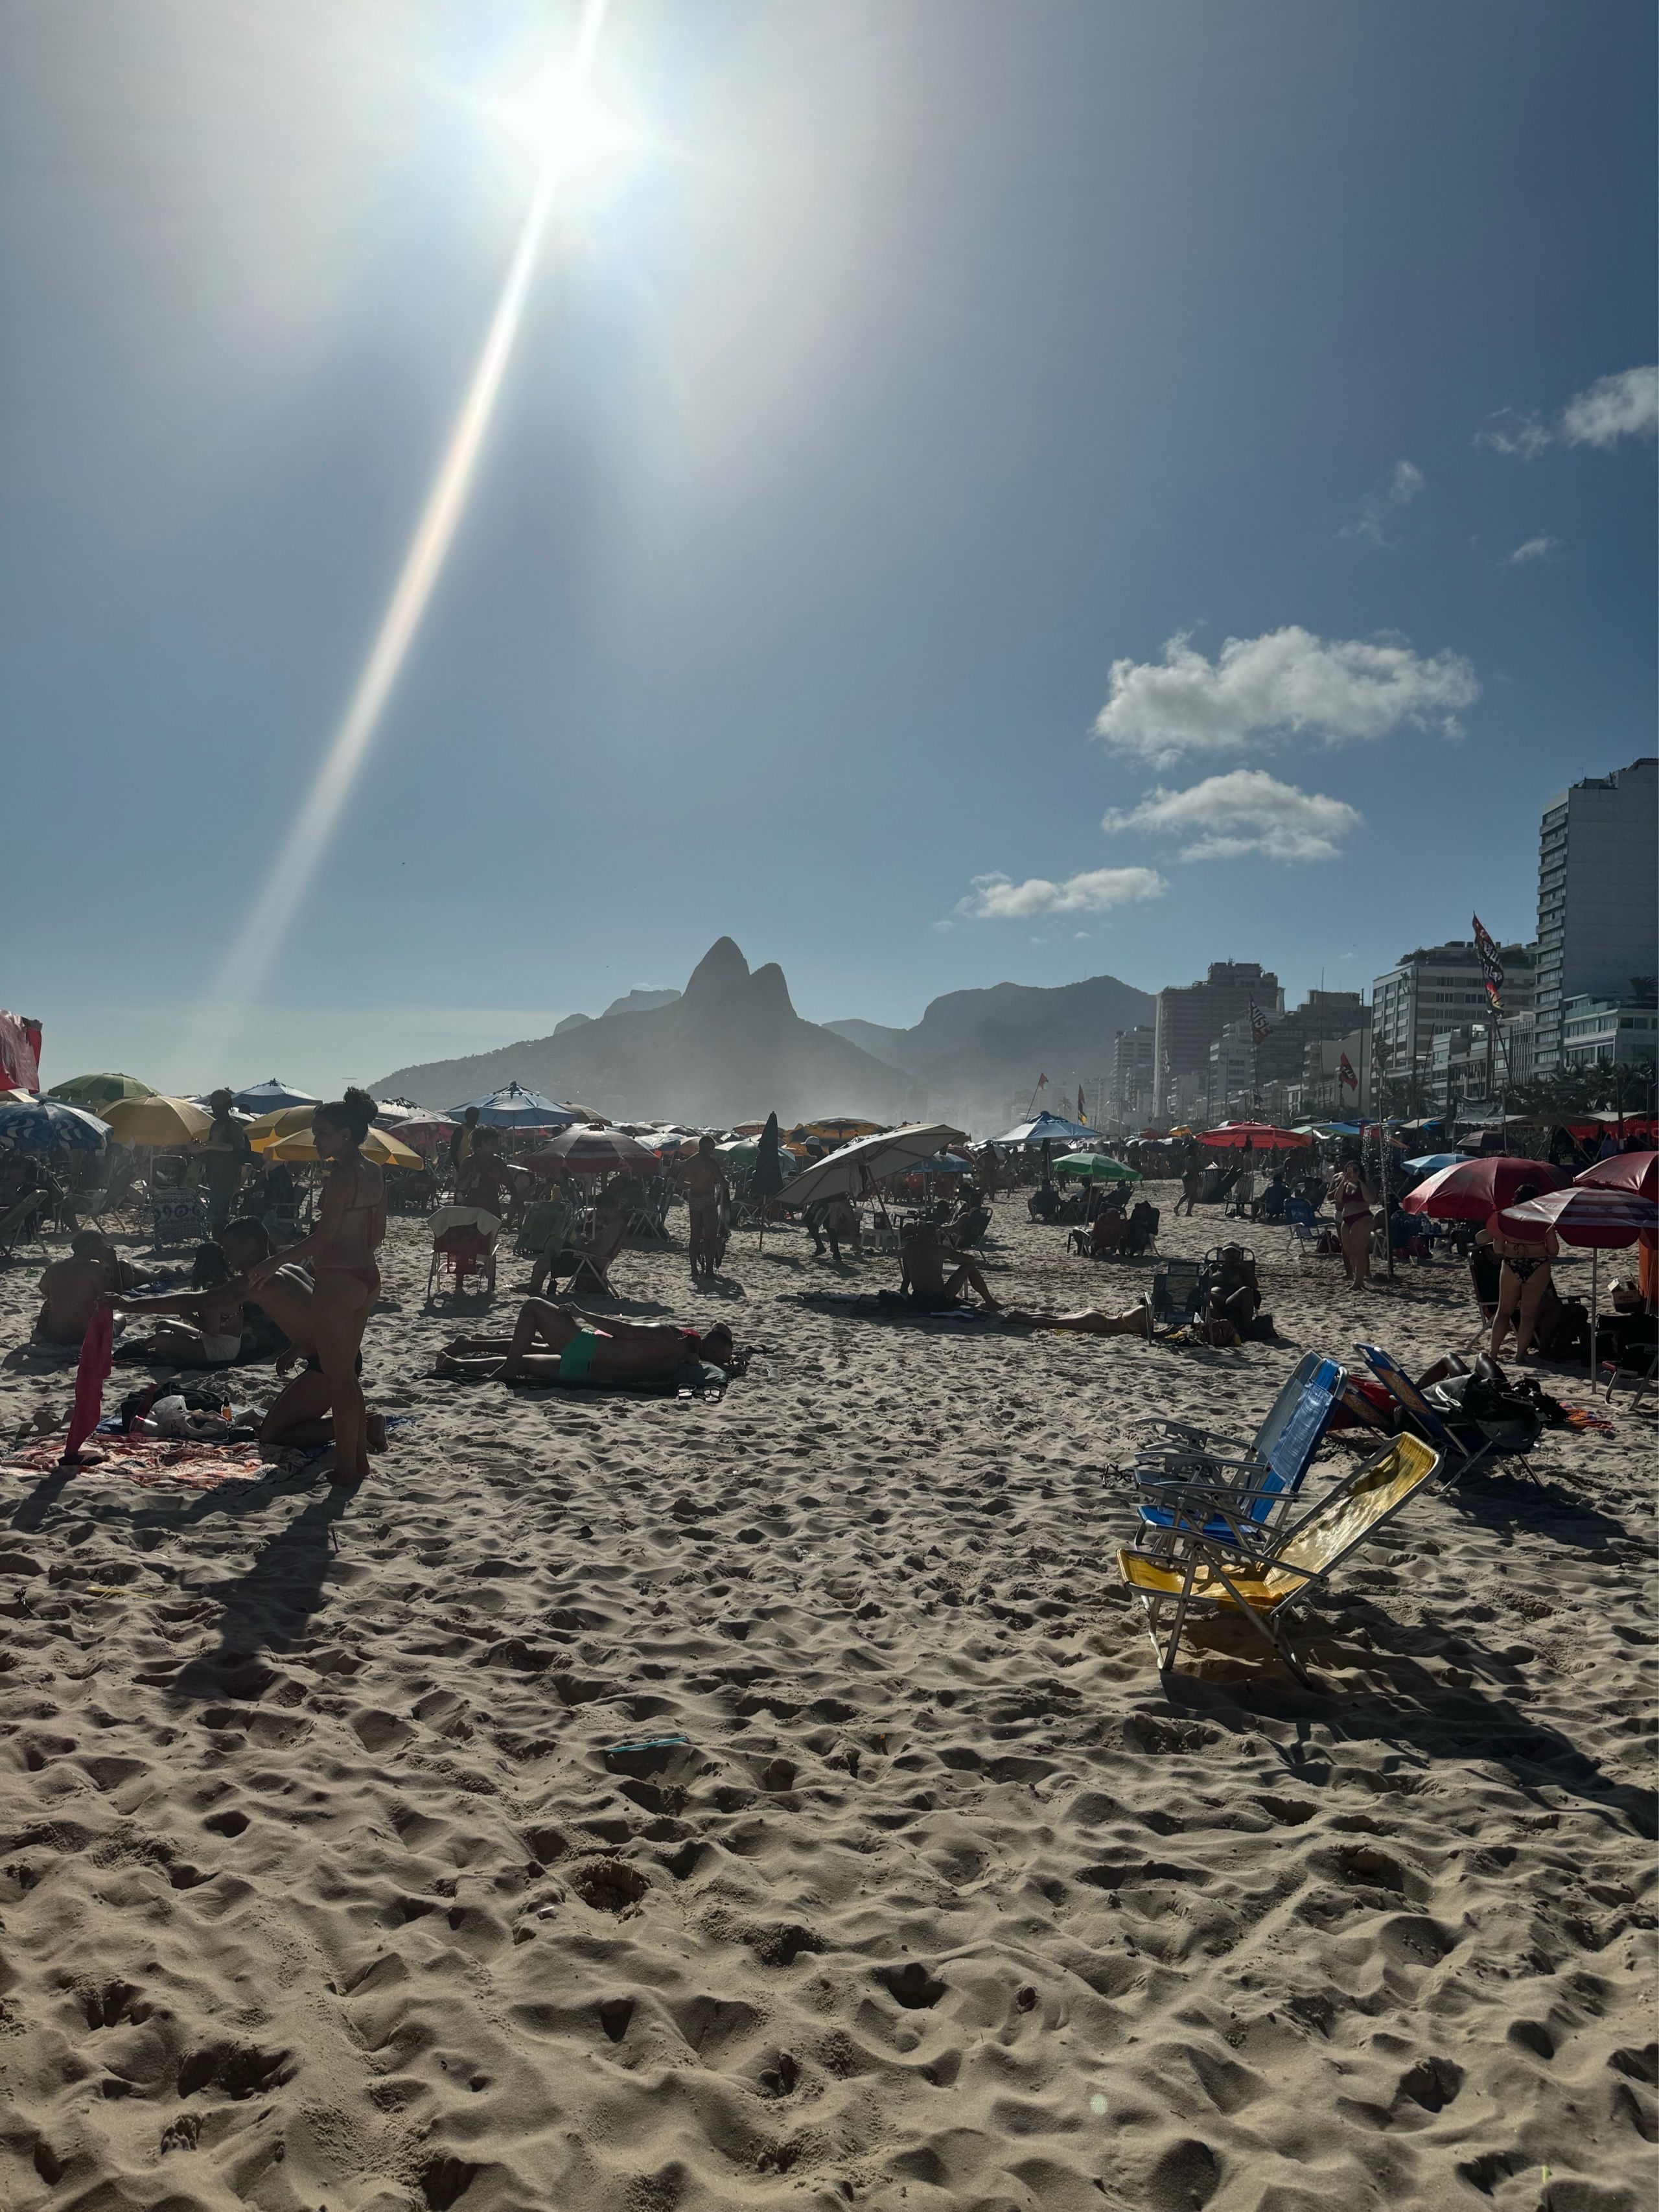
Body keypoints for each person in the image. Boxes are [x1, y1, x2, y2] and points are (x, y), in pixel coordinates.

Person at [247, 1089, 384, 1485]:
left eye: (322, 1133)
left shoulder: (341, 1176)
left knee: (340, 1380)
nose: (316, 1140)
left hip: (338, 1278)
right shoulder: (374, 1170)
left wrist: (275, 1260)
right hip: (366, 1274)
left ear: (346, 1134)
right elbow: (378, 1234)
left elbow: (323, 1239)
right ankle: (358, 1461)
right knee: (347, 1377)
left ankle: (347, 1467)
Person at [435, 1300, 736, 1384]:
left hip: (587, 1347)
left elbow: (622, 1329)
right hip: (590, 1373)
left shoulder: (668, 1335)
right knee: (530, 1356)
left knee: (533, 1308)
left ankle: (502, 1365)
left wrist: (583, 1314)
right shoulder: (678, 1365)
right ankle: (456, 1362)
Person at [108, 1241, 246, 1366]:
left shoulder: (218, 1292)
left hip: (219, 1349)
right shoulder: (224, 1284)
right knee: (164, 1324)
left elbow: (212, 1330)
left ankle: (145, 1350)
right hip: (213, 1339)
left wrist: (190, 1317)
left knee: (162, 1338)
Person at [1477, 1183, 1559, 1362]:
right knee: (1528, 1314)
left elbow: (1498, 1250)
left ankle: (1494, 1353)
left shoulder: (1504, 1217)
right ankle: (1520, 1356)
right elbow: (1554, 1250)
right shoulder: (1545, 1219)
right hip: (1538, 1264)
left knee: (1503, 1311)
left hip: (1512, 1264)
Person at [33, 1231, 152, 1345]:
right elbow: (114, 1298)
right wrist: (113, 1262)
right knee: (121, 1319)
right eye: (104, 1247)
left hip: (55, 1335)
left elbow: (44, 1289)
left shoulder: (55, 1266)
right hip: (82, 1335)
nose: (106, 1250)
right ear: (92, 1246)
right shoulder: (93, 1267)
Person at [899, 1221, 1001, 1312]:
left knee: (951, 1296)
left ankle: (976, 1304)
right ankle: (990, 1302)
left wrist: (904, 1299)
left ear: (919, 1234)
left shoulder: (909, 1248)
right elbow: (970, 1259)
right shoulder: (940, 1250)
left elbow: (907, 1279)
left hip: (918, 1299)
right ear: (934, 1236)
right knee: (969, 1267)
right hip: (939, 1299)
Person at [679, 1136, 732, 1280]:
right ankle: (709, 1271)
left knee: (694, 1237)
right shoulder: (711, 1162)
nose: (713, 1150)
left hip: (694, 1202)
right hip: (708, 1202)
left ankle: (694, 1270)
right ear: (708, 1147)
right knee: (711, 1238)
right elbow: (723, 1183)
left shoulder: (689, 1162)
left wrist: (692, 1185)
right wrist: (719, 1182)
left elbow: (680, 1184)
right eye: (713, 1147)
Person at [202, 1090, 251, 1234]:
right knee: (215, 1207)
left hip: (228, 1173)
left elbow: (239, 1151)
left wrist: (217, 1148)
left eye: (218, 1107)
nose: (215, 1110)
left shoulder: (235, 1127)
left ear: (226, 1107)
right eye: (214, 1107)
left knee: (221, 1209)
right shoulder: (215, 1126)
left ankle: (222, 1237)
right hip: (215, 1173)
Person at [1330, 1154, 1377, 1290]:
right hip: (1346, 1219)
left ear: (1360, 1171)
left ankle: (1359, 1281)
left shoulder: (1366, 1184)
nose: (1352, 1172)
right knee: (1349, 1251)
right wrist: (1344, 1182)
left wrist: (1359, 1182)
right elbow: (1337, 1198)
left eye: (1355, 1170)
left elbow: (1369, 1199)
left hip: (1362, 1217)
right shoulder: (1345, 1184)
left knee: (1360, 1251)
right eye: (1349, 1170)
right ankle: (1358, 1277)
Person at [1205, 1244, 1262, 1335]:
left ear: (1239, 1254)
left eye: (1234, 1252)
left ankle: (1246, 1330)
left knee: (1246, 1291)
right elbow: (1201, 1284)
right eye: (1228, 1251)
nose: (1231, 1254)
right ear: (1223, 1254)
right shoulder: (1213, 1268)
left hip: (1231, 1299)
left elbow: (1254, 1286)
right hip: (1214, 1298)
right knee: (1207, 1296)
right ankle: (1227, 1326)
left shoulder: (1242, 1270)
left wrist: (1248, 1271)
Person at [804, 1194, 861, 1263]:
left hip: (828, 1198)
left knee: (808, 1219)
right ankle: (835, 1252)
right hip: (836, 1198)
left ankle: (822, 1248)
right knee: (828, 1224)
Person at [448, 1106, 482, 1180]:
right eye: (472, 1116)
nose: (474, 1119)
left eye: (476, 1116)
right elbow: (453, 1151)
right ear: (466, 1116)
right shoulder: (460, 1131)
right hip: (462, 1167)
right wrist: (458, 1168)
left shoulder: (478, 1131)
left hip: (477, 1169)